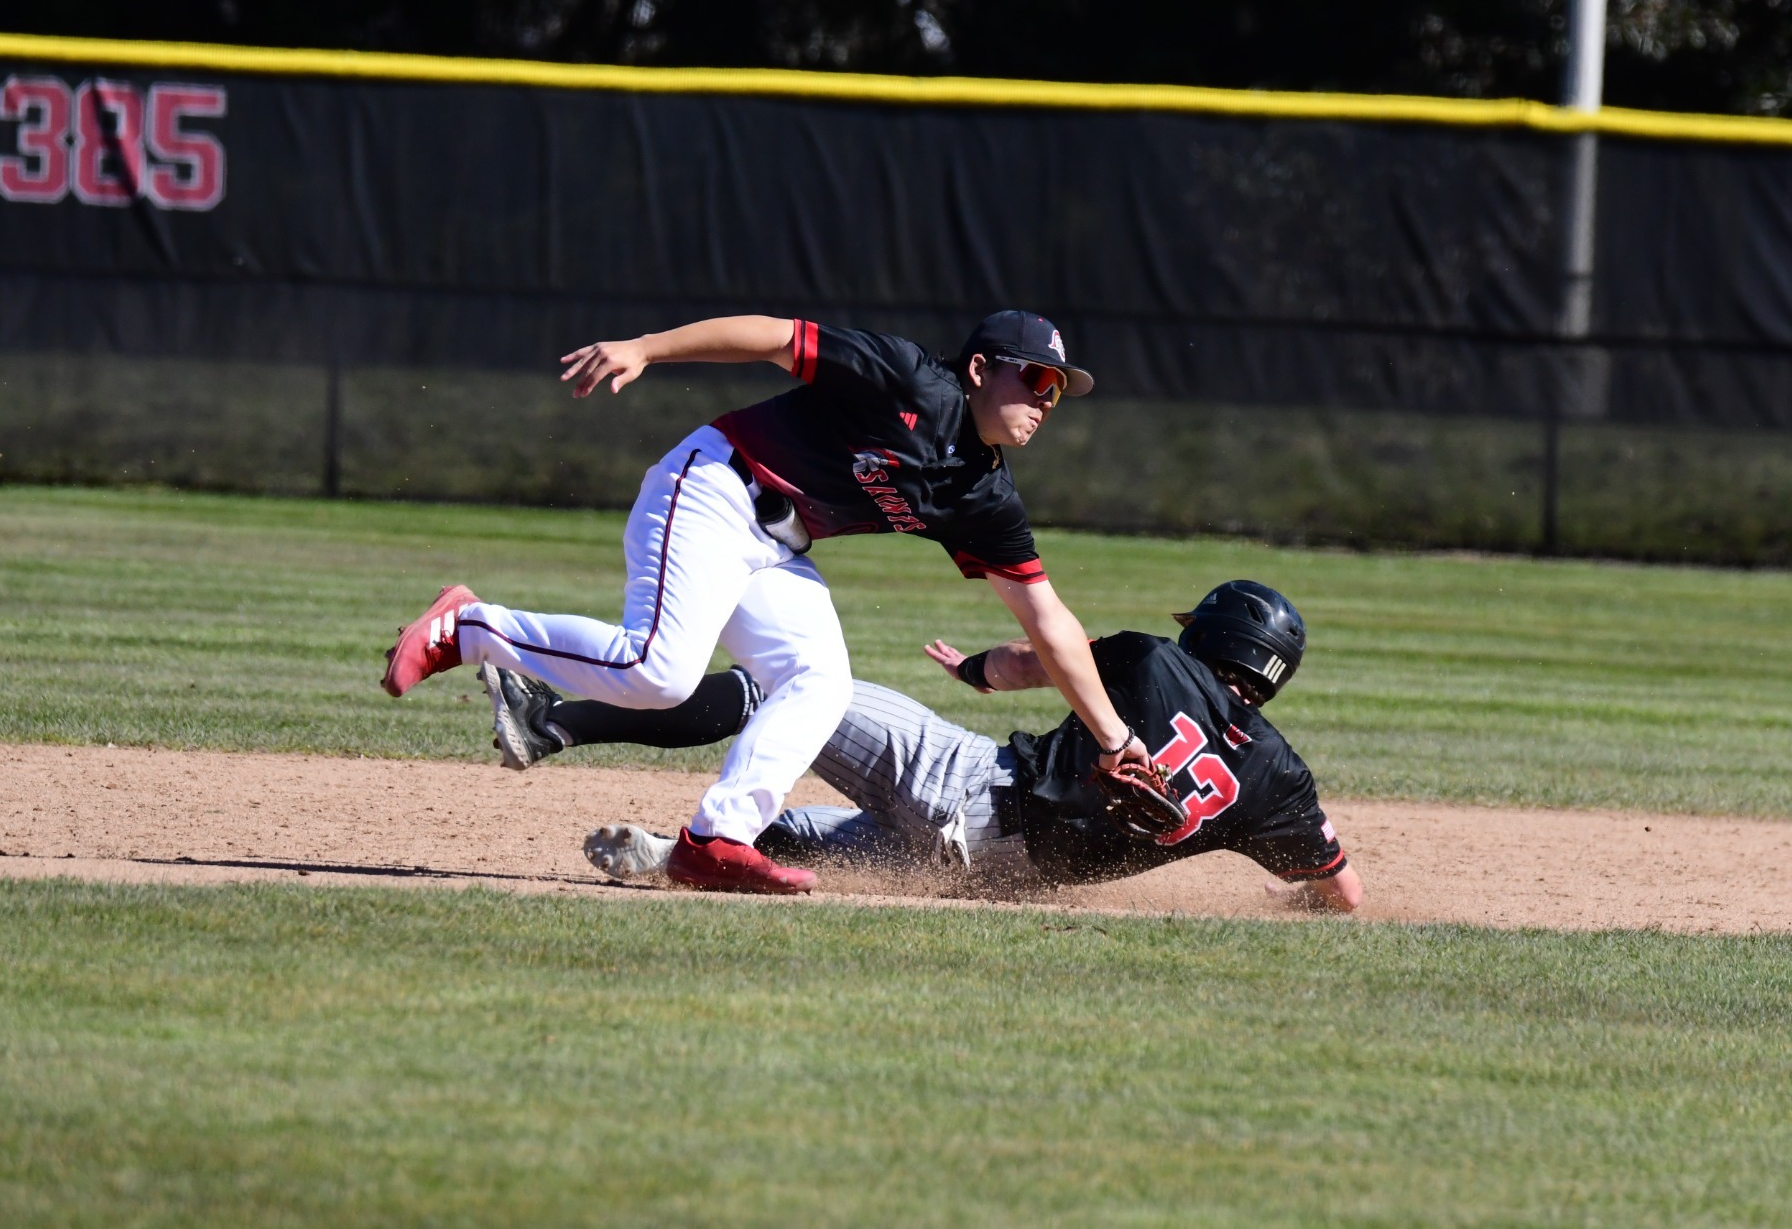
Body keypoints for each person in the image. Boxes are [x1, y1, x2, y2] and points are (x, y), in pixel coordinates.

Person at [379, 311, 1155, 896]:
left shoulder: (983, 494)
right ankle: (467, 626)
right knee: (658, 672)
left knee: (821, 682)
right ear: (982, 368)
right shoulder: (911, 380)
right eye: (1038, 379)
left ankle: (714, 841)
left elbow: (1049, 622)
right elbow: (775, 337)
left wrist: (1115, 738)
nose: (1048, 400)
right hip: (715, 485)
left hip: (776, 547)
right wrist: (646, 348)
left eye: (1059, 390)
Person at [481, 581, 1362, 911]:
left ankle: (556, 721)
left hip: (966, 787)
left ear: (1211, 633)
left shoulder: (1157, 660)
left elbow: (1035, 658)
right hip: (994, 876)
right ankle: (675, 855)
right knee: (791, 838)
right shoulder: (1280, 778)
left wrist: (978, 668)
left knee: (792, 689)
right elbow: (1343, 891)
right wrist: (1302, 904)